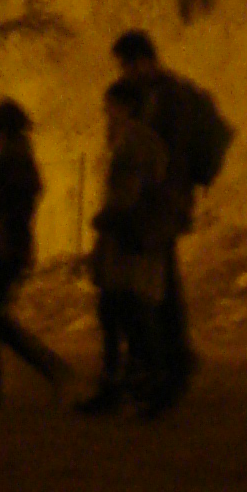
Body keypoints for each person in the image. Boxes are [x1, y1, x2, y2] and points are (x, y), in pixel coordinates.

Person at [109, 29, 234, 405]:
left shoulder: (169, 97)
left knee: (157, 285)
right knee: (160, 281)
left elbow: (167, 154)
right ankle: (168, 361)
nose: (124, 72)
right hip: (160, 201)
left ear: (142, 60)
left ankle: (168, 366)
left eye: (126, 65)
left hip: (162, 202)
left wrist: (152, 192)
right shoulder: (157, 94)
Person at [78, 79, 175, 417]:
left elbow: (127, 195)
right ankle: (129, 387)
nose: (106, 113)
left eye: (110, 106)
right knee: (125, 313)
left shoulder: (133, 143)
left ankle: (140, 387)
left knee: (126, 315)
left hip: (128, 242)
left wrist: (105, 219)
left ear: (124, 106)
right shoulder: (147, 142)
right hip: (134, 241)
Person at [0, 99, 68, 410]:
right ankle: (43, 368)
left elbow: (6, 206)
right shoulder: (20, 157)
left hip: (2, 247)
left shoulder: (11, 160)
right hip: (9, 246)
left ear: (1, 129)